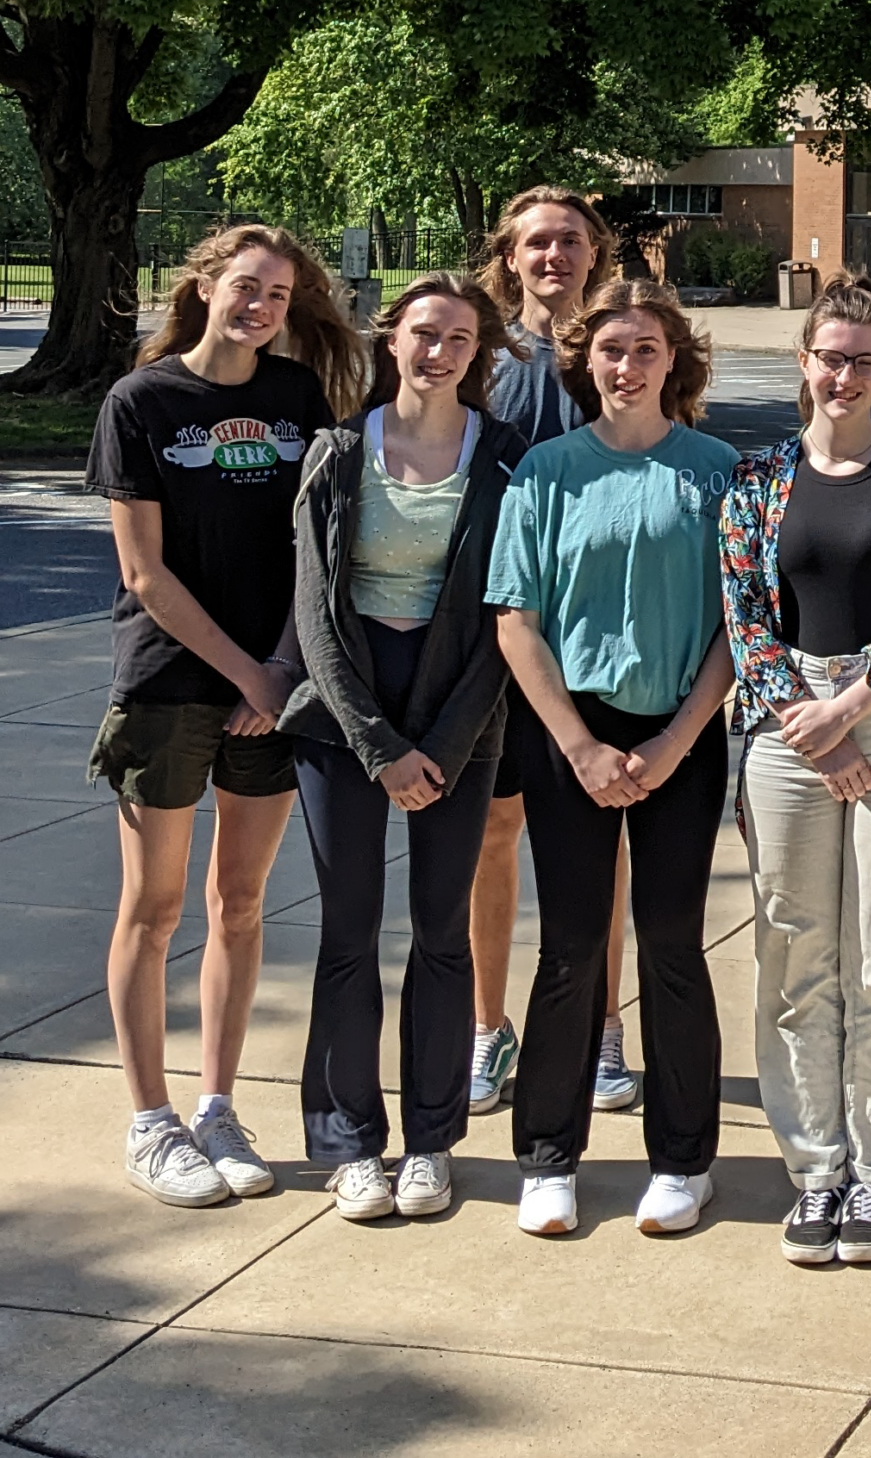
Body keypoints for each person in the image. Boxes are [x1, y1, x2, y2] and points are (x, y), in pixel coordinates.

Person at [87, 224, 364, 1207]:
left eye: (278, 296)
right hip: (170, 685)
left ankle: (216, 1106)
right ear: (201, 287)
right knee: (155, 909)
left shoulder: (296, 399)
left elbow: (317, 552)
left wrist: (284, 670)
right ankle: (151, 1121)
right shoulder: (143, 403)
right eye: (245, 287)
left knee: (238, 906)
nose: (260, 307)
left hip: (270, 692)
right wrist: (247, 673)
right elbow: (141, 573)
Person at [486, 279, 738, 1237]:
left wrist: (674, 741)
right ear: (583, 361)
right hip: (571, 733)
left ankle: (683, 1160)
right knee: (573, 946)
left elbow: (735, 624)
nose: (627, 366)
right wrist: (580, 744)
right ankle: (548, 1156)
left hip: (682, 727)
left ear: (675, 360)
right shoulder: (545, 472)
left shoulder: (716, 470)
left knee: (672, 945)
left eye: (645, 349)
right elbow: (516, 621)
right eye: (611, 350)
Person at [722, 275, 871, 1265]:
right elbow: (743, 615)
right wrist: (806, 720)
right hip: (786, 732)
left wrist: (854, 710)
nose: (844, 375)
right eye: (829, 357)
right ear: (802, 362)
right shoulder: (757, 479)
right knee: (793, 951)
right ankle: (814, 1168)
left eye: (864, 360)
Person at [280, 273, 526, 1220]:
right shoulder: (337, 453)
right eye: (426, 333)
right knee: (347, 934)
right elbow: (314, 610)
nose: (440, 351)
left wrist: (449, 745)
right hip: (346, 719)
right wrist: (378, 745)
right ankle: (349, 1144)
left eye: (460, 339)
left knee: (439, 934)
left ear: (479, 353)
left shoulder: (503, 458)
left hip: (460, 714)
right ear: (394, 341)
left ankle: (431, 1140)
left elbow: (508, 613)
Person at [470, 185, 638, 1116]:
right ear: (510, 255)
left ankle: (603, 1030)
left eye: (571, 241)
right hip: (499, 629)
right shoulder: (482, 357)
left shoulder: (616, 349)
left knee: (598, 843)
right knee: (496, 831)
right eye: (537, 242)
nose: (554, 256)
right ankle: (488, 1029)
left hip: (597, 632)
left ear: (594, 254)